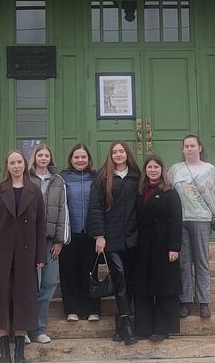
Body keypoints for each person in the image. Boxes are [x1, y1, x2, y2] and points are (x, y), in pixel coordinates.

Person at [0, 150, 46, 363]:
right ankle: (4, 353)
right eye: (12, 163)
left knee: (23, 300)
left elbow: (41, 224)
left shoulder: (34, 191)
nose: (16, 166)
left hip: (26, 256)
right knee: (1, 300)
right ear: (7, 166)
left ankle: (19, 353)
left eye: (19, 162)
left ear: (24, 165)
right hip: (1, 254)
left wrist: (40, 254)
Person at [88, 141, 140, 346]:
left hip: (133, 238)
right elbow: (95, 207)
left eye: (122, 151)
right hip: (111, 238)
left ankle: (120, 326)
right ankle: (127, 326)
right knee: (119, 278)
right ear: (110, 155)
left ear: (127, 154)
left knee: (130, 281)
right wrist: (99, 236)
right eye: (115, 152)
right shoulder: (103, 177)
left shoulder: (136, 176)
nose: (118, 154)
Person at [168, 134, 215, 319]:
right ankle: (185, 301)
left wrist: (210, 212)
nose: (189, 149)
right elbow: (168, 190)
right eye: (186, 146)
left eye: (192, 146)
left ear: (199, 148)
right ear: (183, 149)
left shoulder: (210, 169)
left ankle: (204, 301)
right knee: (184, 262)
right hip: (180, 220)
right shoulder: (175, 169)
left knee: (201, 261)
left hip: (201, 219)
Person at [133, 155, 182, 342]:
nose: (153, 170)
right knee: (142, 286)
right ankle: (143, 328)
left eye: (156, 167)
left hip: (164, 246)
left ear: (162, 170)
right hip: (142, 246)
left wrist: (174, 247)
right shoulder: (140, 191)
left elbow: (176, 221)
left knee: (164, 286)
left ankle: (162, 328)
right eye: (149, 167)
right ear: (145, 170)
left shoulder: (170, 192)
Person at [27, 143, 69, 344]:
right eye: (40, 155)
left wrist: (60, 240)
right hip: (29, 241)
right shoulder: (26, 179)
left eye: (46, 155)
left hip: (50, 241)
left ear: (50, 158)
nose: (43, 158)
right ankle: (24, 328)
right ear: (34, 158)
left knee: (49, 283)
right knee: (30, 285)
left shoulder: (58, 180)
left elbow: (63, 211)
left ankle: (39, 328)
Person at [59, 144, 101, 322]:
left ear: (89, 159)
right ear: (71, 159)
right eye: (76, 157)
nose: (80, 160)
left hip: (91, 233)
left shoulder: (97, 177)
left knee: (90, 271)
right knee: (69, 272)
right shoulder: (62, 178)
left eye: (83, 157)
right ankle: (72, 310)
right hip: (69, 233)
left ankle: (92, 309)